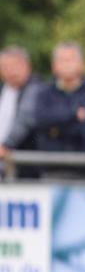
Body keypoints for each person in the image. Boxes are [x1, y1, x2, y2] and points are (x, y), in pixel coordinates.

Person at [33, 42, 85, 178]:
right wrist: (75, 115)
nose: (67, 64)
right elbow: (41, 121)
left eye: (71, 59)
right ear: (54, 66)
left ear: (82, 64)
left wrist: (56, 126)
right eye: (62, 60)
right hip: (52, 169)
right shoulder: (43, 93)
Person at [0, 46, 45, 178]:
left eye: (15, 65)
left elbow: (25, 119)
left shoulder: (36, 89)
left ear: (27, 66)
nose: (11, 71)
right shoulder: (4, 90)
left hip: (25, 164)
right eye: (5, 66)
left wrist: (6, 145)